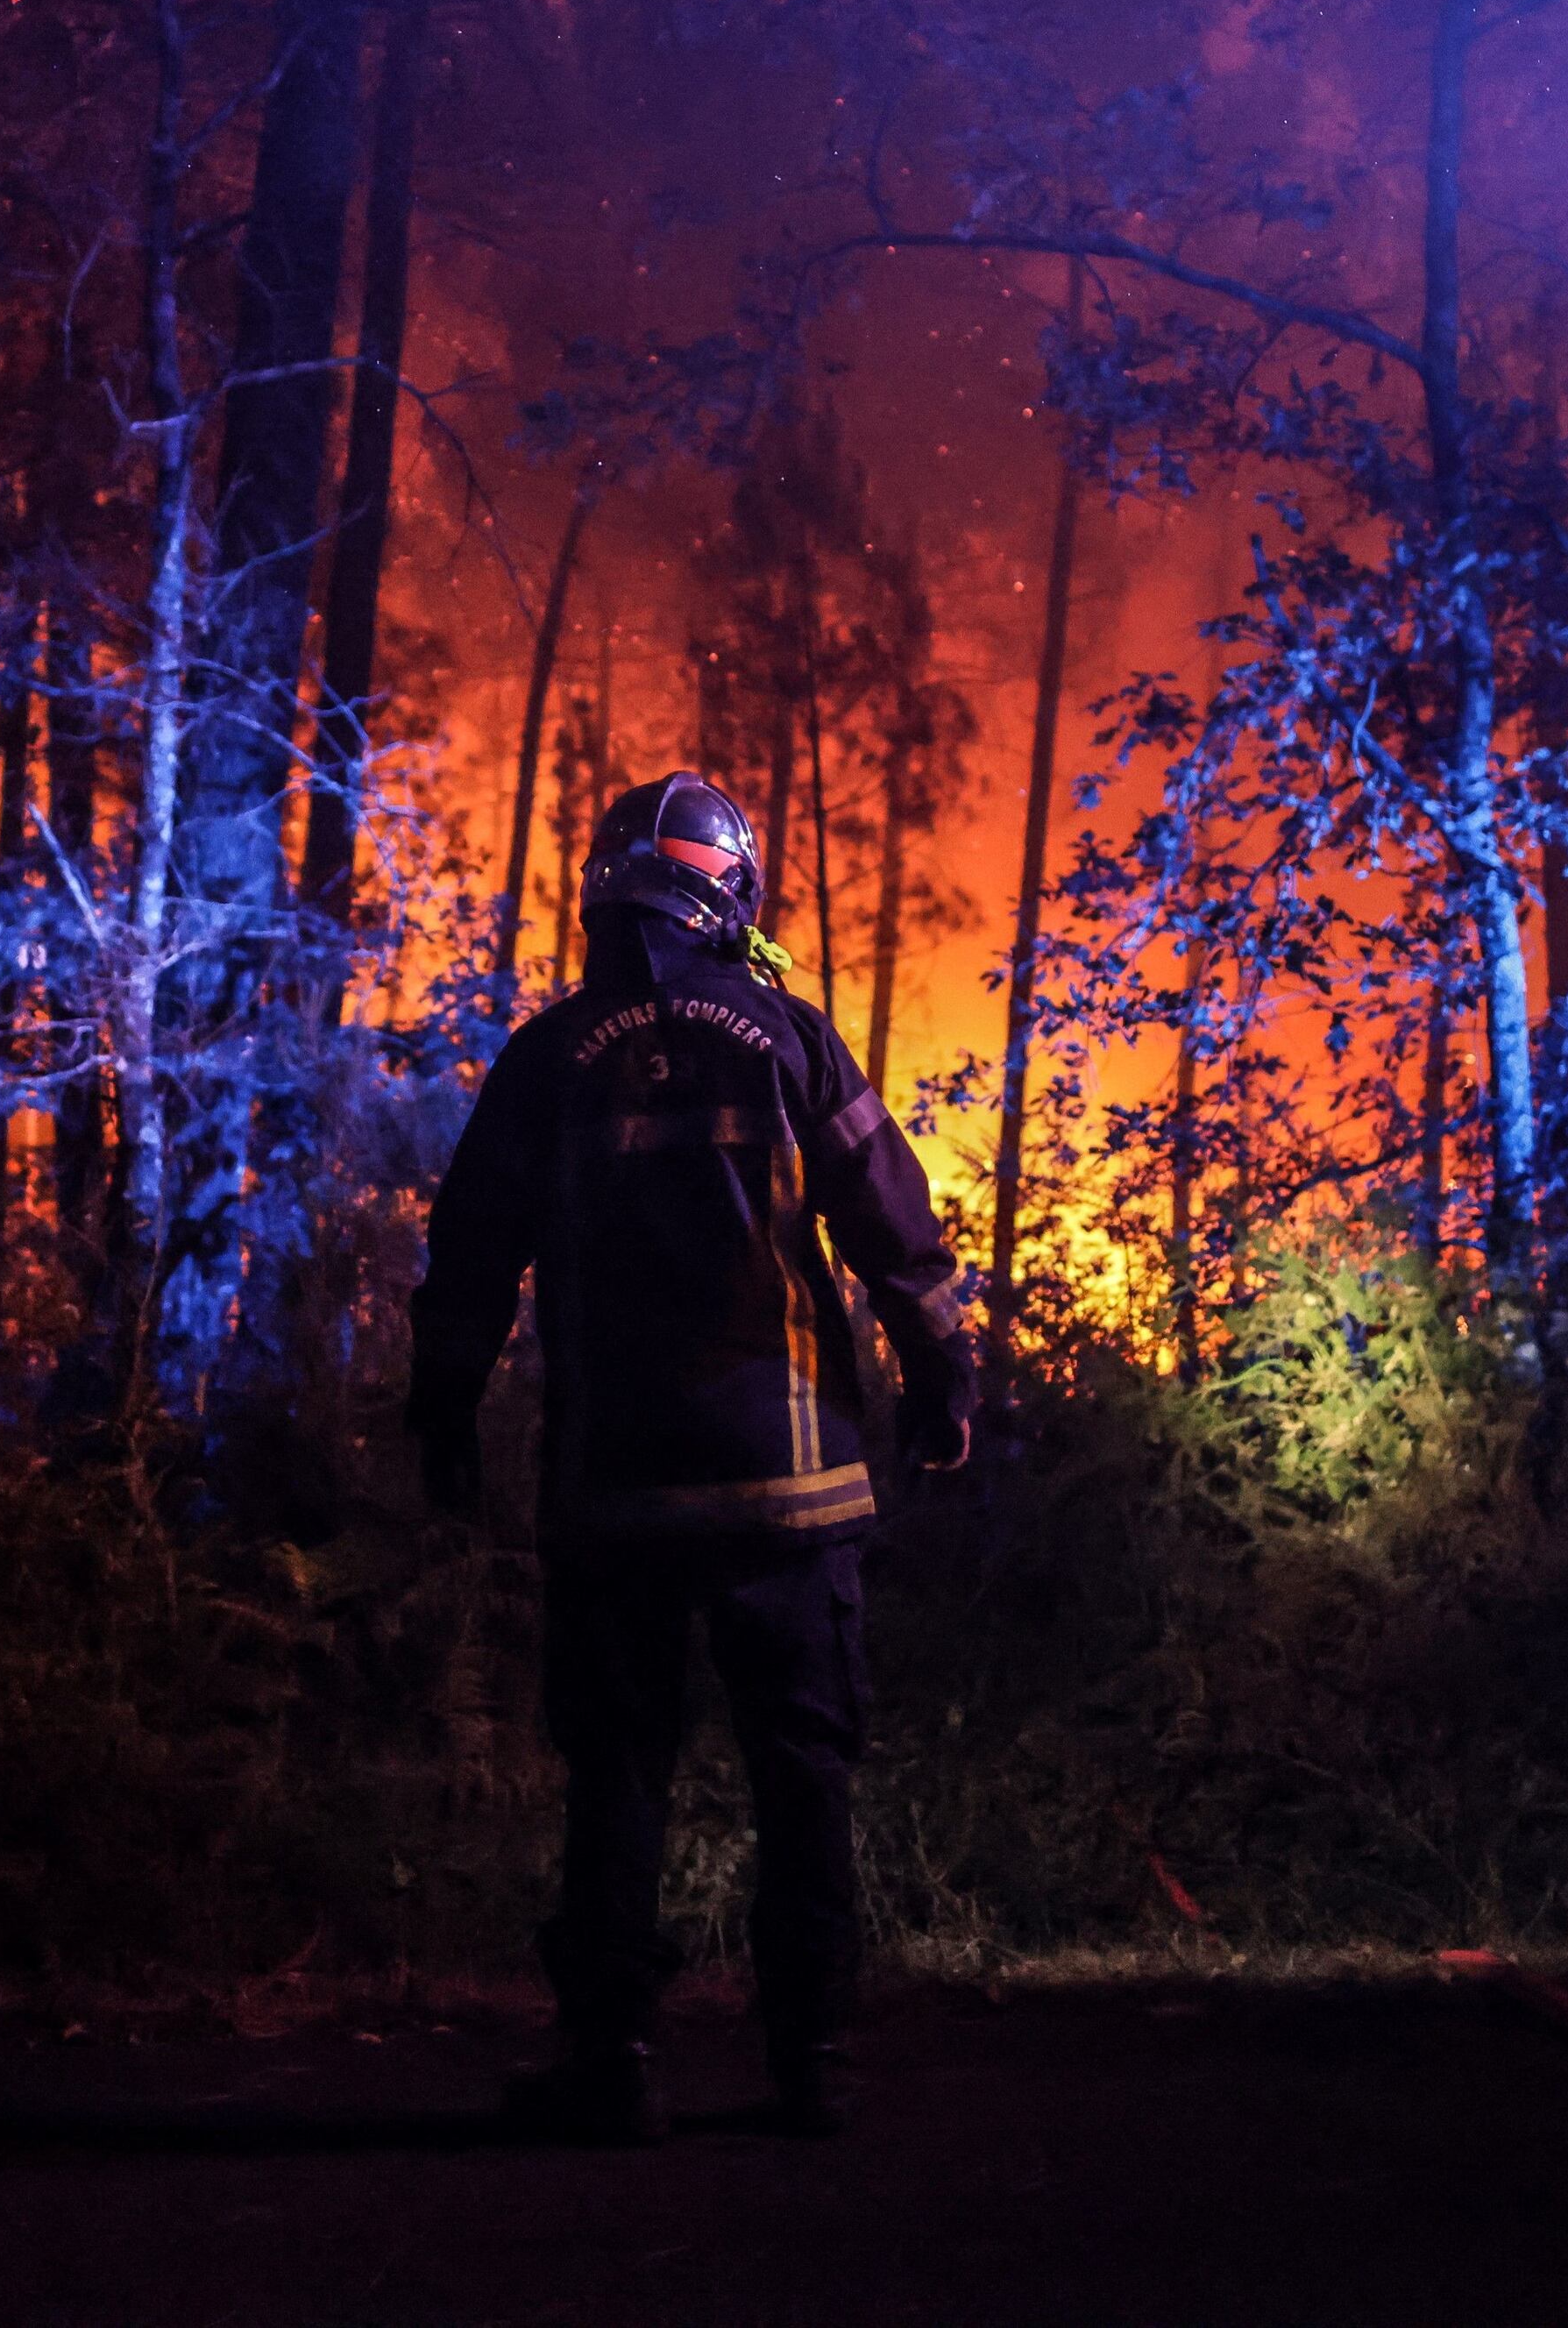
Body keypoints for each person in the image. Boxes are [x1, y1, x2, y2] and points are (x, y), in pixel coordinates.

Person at [408, 771, 984, 2143]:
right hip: (794, 1491)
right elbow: (895, 1226)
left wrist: (441, 1418)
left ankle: (608, 2061)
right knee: (805, 1773)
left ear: (606, 888)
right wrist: (941, 1374)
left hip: (617, 1493)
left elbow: (472, 1259)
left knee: (618, 1773)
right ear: (732, 891)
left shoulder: (549, 1057)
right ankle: (816, 2066)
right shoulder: (787, 1036)